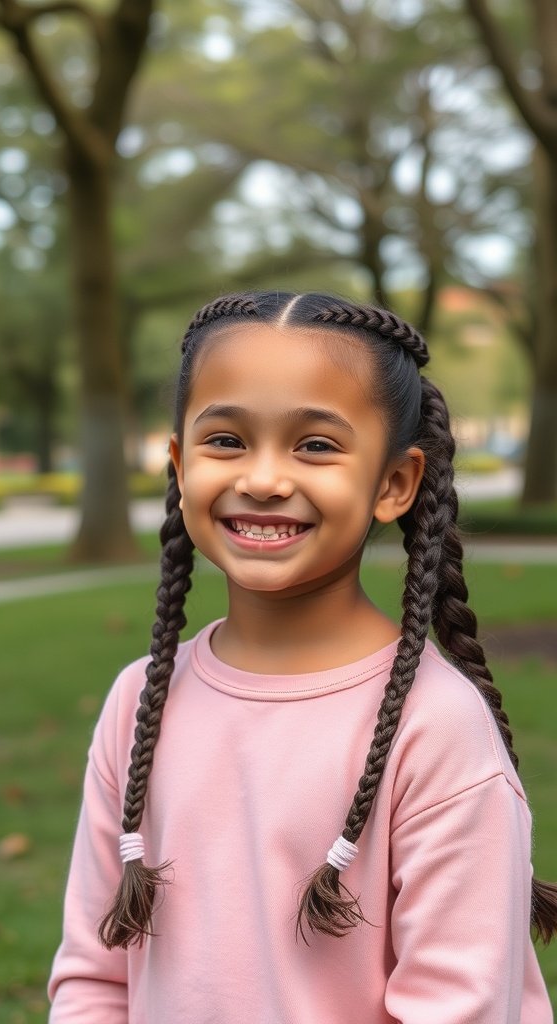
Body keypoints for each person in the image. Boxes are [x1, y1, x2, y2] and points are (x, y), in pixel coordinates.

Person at [48, 291, 556, 1023]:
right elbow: (94, 980)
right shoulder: (140, 703)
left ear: (394, 484)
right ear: (178, 463)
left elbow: (460, 1006)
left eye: (314, 445)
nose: (262, 478)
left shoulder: (435, 728)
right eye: (225, 440)